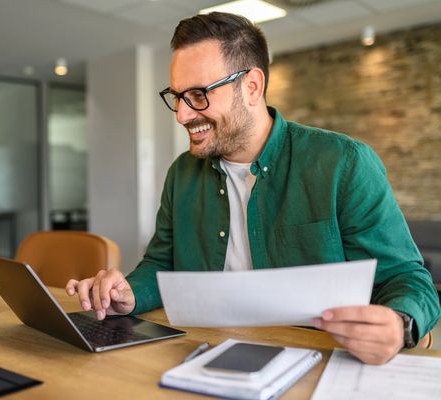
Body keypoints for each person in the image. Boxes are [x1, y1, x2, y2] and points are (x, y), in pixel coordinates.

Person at [66, 12, 440, 365]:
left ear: (251, 86)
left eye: (198, 94)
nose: (182, 114)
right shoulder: (182, 173)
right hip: (201, 354)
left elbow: (406, 277)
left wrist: (400, 323)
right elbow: (161, 264)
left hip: (316, 360)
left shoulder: (344, 162)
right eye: (178, 97)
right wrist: (129, 294)